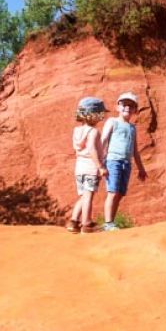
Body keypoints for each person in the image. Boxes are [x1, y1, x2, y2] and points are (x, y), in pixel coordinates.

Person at [100, 92, 147, 231]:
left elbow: (135, 150)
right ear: (117, 107)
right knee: (113, 192)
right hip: (113, 160)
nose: (127, 107)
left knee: (120, 194)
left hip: (126, 163)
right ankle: (108, 224)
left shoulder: (132, 128)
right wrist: (101, 163)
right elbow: (103, 141)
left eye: (131, 105)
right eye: (124, 104)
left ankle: (111, 223)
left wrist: (141, 169)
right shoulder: (112, 122)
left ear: (135, 110)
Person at [67, 97, 108, 234]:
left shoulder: (77, 131)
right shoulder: (94, 132)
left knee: (84, 195)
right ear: (94, 115)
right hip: (91, 168)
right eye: (101, 114)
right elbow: (91, 148)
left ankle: (73, 221)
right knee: (89, 195)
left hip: (79, 168)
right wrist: (100, 166)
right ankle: (86, 224)